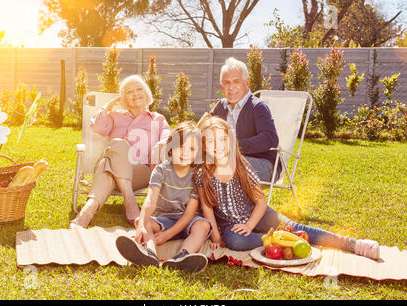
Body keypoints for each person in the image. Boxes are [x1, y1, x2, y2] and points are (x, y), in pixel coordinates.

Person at [195, 116, 380, 260]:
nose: (217, 146)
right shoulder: (202, 173)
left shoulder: (241, 167)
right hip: (231, 226)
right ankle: (284, 241)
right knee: (234, 241)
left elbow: (260, 202)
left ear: (230, 141)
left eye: (222, 140)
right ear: (203, 145)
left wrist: (250, 225)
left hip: (258, 215)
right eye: (211, 141)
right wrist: (217, 237)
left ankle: (350, 244)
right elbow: (207, 208)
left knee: (293, 226)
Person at [70, 75, 170, 228]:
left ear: (147, 93)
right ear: (123, 98)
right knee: (116, 148)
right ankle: (126, 201)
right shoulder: (114, 116)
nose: (136, 94)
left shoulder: (157, 119)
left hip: (141, 172)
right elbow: (97, 128)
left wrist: (161, 144)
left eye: (139, 89)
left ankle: (85, 214)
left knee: (110, 159)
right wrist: (108, 106)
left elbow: (168, 140)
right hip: (112, 168)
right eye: (129, 91)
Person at [116, 122, 212, 273]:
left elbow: (189, 214)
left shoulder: (196, 175)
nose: (185, 152)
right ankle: (150, 254)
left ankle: (181, 258)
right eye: (180, 146)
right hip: (164, 218)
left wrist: (168, 235)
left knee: (203, 226)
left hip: (188, 221)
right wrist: (141, 224)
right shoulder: (161, 170)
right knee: (142, 221)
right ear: (170, 147)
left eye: (192, 149)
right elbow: (150, 201)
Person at [210, 57, 280, 182]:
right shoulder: (221, 107)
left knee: (226, 166)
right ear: (222, 86)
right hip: (227, 161)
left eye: (236, 81)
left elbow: (270, 139)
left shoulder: (258, 107)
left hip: (264, 164)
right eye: (227, 82)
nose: (231, 87)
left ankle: (254, 202)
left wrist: (233, 147)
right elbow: (205, 129)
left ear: (247, 83)